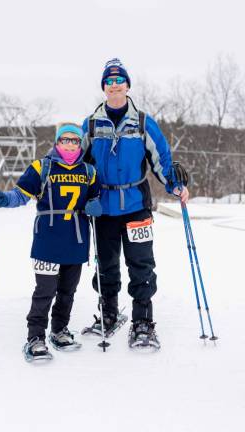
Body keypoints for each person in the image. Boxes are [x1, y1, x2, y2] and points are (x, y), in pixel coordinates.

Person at [82, 58, 189, 349]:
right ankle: (109, 313)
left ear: (128, 85)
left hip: (135, 204)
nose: (114, 86)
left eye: (119, 81)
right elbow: (78, 164)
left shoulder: (142, 122)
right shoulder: (91, 124)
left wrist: (174, 184)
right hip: (103, 206)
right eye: (109, 82)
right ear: (103, 87)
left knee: (140, 263)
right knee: (105, 264)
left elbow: (161, 159)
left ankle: (143, 321)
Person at [0, 123, 102, 360]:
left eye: (75, 140)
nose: (70, 144)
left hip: (76, 239)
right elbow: (20, 195)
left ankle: (59, 330)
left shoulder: (89, 172)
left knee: (67, 291)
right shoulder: (42, 167)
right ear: (57, 142)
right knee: (45, 291)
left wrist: (96, 205)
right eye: (65, 140)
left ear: (80, 144)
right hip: (48, 239)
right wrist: (3, 199)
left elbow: (97, 197)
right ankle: (35, 336)